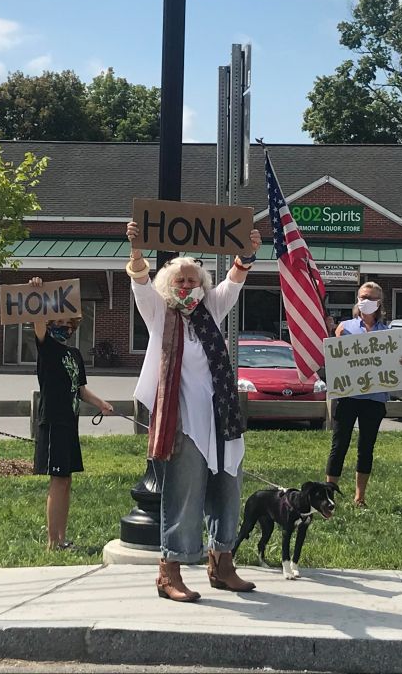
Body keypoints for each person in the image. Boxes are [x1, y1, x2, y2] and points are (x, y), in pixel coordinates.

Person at [126, 220, 261, 603]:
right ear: (168, 287)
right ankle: (170, 571)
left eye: (193, 282)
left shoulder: (209, 312)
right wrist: (136, 251)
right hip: (183, 422)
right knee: (184, 495)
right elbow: (140, 282)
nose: (186, 288)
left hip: (222, 420)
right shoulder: (158, 314)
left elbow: (233, 281)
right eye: (180, 282)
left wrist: (246, 253)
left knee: (228, 488)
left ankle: (222, 562)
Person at [27, 277, 114, 551]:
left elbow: (81, 390)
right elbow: (37, 323)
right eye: (59, 322)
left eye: (69, 323)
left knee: (66, 480)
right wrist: (37, 293)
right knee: (57, 480)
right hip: (52, 422)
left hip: (69, 425)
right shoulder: (47, 348)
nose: (64, 327)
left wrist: (101, 403)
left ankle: (62, 539)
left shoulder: (74, 355)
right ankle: (53, 543)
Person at [325, 282, 402, 507]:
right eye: (362, 296)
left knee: (366, 448)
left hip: (374, 400)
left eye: (371, 297)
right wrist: (330, 334)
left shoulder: (389, 335)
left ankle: (360, 497)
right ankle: (328, 495)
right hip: (347, 397)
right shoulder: (344, 327)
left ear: (379, 303)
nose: (365, 300)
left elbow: (399, 364)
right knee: (339, 445)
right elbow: (334, 357)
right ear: (357, 299)